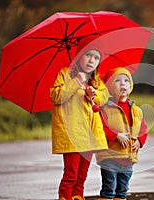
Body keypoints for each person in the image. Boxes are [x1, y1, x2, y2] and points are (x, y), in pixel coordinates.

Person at [50, 35, 109, 200]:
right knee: (71, 174)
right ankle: (65, 197)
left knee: (82, 176)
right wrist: (75, 81)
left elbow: (104, 98)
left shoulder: (95, 79)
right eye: (88, 55)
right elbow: (56, 96)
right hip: (72, 134)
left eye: (96, 57)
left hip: (89, 136)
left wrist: (94, 94)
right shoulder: (65, 74)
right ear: (79, 56)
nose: (91, 60)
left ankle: (78, 197)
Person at [96, 68, 148, 200]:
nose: (123, 84)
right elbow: (101, 128)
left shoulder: (136, 110)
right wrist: (116, 135)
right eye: (117, 81)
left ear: (130, 85)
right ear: (110, 87)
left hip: (128, 157)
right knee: (109, 188)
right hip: (109, 156)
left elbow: (143, 129)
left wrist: (140, 141)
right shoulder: (105, 108)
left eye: (126, 81)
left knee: (122, 189)